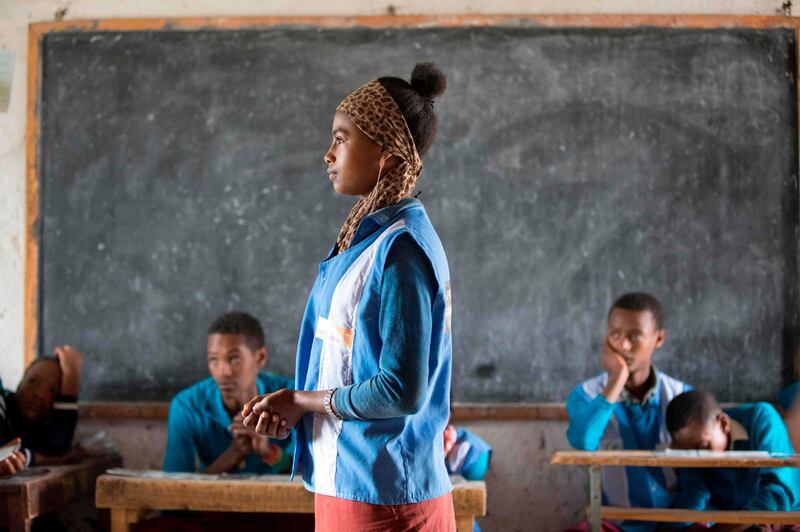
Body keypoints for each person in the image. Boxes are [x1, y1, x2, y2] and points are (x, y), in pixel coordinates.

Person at [242, 63, 455, 530]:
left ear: (384, 149)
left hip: (386, 496)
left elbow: (401, 389)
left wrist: (301, 401)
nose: (327, 153)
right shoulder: (360, 241)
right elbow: (341, 367)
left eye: (341, 138)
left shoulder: (400, 247)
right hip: (345, 482)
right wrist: (292, 413)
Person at [565, 293, 691, 532]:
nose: (623, 346)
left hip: (676, 523)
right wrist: (616, 380)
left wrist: (678, 523)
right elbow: (582, 442)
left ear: (659, 338)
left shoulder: (681, 397)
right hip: (616, 524)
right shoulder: (586, 395)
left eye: (634, 336)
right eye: (615, 334)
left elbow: (700, 478)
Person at [163, 312, 294, 474]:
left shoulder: (291, 398)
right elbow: (174, 487)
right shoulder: (186, 406)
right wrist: (234, 454)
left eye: (234, 359)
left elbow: (313, 479)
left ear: (260, 357)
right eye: (213, 359)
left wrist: (270, 453)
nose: (223, 372)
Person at [667, 390, 800, 531]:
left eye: (703, 446)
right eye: (688, 453)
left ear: (723, 424)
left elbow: (779, 489)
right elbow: (692, 497)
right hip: (739, 520)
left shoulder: (761, 418)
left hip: (787, 512)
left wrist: (732, 526)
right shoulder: (694, 452)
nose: (697, 457)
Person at [0, 345, 82, 469]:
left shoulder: (37, 431)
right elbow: (3, 453)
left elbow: (56, 445)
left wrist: (71, 380)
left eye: (52, 391)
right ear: (21, 382)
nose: (40, 395)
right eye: (34, 382)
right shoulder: (2, 403)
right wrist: (57, 459)